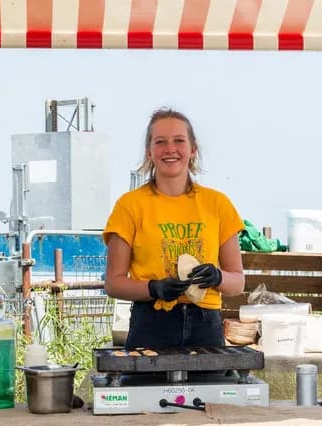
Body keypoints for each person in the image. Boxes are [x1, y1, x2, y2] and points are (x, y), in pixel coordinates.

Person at [103, 108, 245, 350]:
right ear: (149, 152)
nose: (170, 149)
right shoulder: (129, 206)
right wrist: (154, 288)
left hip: (205, 324)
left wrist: (218, 276)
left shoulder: (218, 204)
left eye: (179, 140)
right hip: (151, 322)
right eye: (160, 142)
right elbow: (113, 283)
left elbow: (237, 282)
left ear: (193, 150)